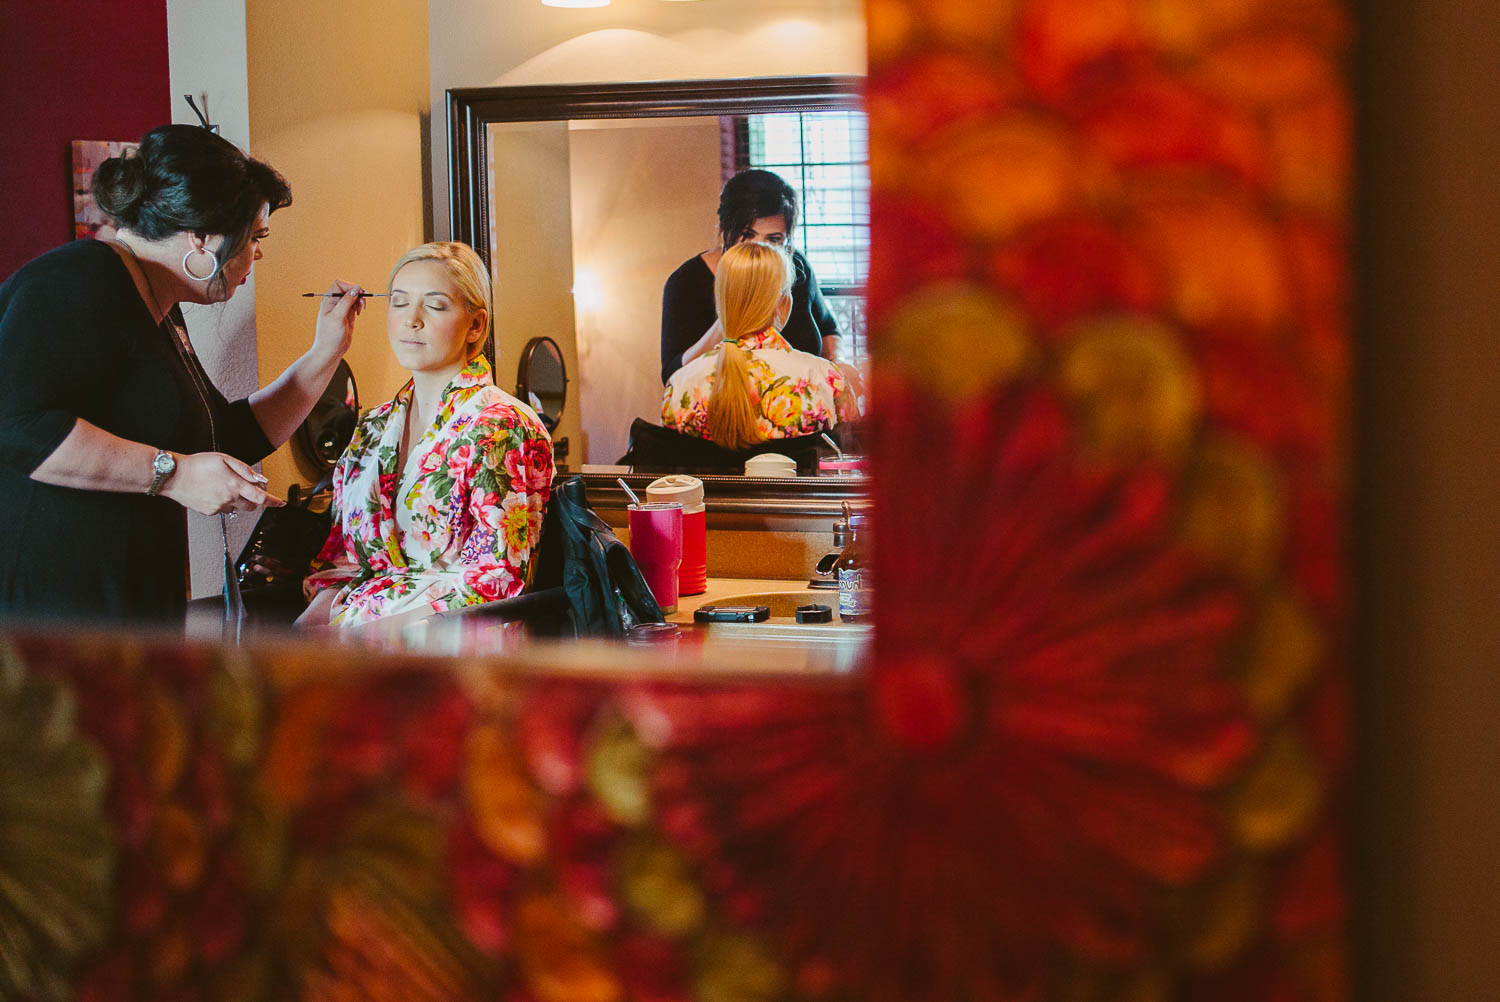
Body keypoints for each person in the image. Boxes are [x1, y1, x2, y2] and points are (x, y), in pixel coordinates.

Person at [0, 124, 365, 623]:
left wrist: (326, 352)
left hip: (132, 610)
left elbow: (224, 437)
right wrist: (172, 474)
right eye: (254, 237)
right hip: (53, 617)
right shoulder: (77, 281)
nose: (257, 254)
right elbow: (19, 427)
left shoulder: (157, 301)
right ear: (202, 236)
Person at [299, 242, 554, 628]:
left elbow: (496, 582)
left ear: (476, 325)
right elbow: (342, 559)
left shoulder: (502, 426)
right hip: (349, 646)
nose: (411, 320)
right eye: (399, 303)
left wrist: (374, 637)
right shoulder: (373, 429)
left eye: (434, 306)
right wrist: (312, 626)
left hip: (453, 652)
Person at [662, 242, 858, 449]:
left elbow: (669, 472)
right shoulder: (828, 379)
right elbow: (850, 459)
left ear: (721, 304)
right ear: (783, 303)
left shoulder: (679, 386)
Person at [659, 169, 842, 384]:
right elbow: (672, 376)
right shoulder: (686, 282)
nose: (760, 249)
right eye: (747, 236)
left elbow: (828, 328)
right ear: (724, 229)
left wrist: (836, 369)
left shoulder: (797, 268)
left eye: (774, 239)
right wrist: (729, 320)